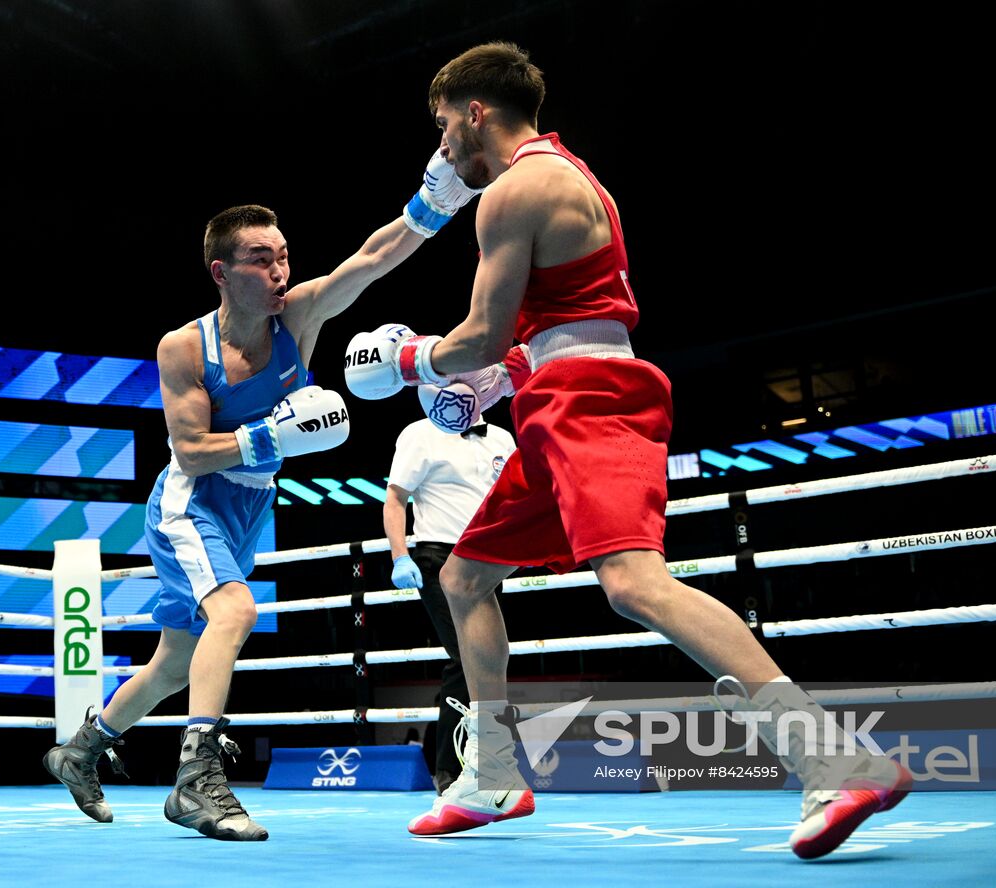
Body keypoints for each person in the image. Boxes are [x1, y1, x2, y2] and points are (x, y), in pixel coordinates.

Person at [343, 42, 910, 858]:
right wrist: (497, 377)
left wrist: (404, 360)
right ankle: (495, 772)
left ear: (475, 114)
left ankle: (833, 756)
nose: (440, 151)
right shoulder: (569, 175)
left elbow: (480, 334)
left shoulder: (516, 190)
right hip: (554, 397)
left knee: (634, 583)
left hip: (587, 403)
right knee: (464, 576)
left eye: (442, 129)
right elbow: (557, 321)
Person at [44, 151, 483, 841]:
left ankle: (81, 750)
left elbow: (367, 262)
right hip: (190, 501)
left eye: (282, 256)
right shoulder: (182, 348)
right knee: (237, 611)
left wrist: (439, 199)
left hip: (249, 508)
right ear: (221, 272)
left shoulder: (298, 318)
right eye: (259, 260)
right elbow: (190, 450)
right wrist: (270, 435)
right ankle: (196, 778)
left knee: (173, 664)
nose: (279, 271)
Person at [383, 412, 516, 791]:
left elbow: (511, 499)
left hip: (487, 562)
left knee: (485, 659)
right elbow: (395, 499)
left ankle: (482, 759)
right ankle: (452, 770)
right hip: (439, 557)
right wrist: (399, 556)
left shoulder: (502, 439)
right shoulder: (420, 432)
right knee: (466, 657)